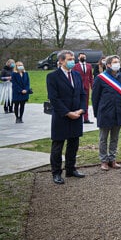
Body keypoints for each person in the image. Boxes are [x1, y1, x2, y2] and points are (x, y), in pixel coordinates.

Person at [46, 50, 87, 184]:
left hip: (77, 115)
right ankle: (56, 173)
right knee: (58, 146)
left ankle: (70, 169)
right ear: (61, 61)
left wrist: (81, 110)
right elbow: (54, 98)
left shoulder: (76, 74)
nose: (72, 61)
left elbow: (82, 94)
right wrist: (68, 113)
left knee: (73, 144)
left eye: (73, 58)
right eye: (69, 59)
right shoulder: (53, 76)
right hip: (62, 116)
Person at [92, 55, 121, 171]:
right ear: (108, 64)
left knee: (115, 137)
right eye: (114, 62)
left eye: (118, 62)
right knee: (103, 138)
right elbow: (95, 97)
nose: (117, 64)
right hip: (105, 112)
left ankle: (112, 159)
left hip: (118, 111)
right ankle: (103, 160)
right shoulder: (100, 78)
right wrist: (97, 113)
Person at [73, 52, 94, 124]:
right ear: (78, 58)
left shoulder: (89, 65)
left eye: (84, 57)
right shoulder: (75, 66)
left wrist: (92, 86)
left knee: (86, 102)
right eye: (81, 57)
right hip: (78, 86)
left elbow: (91, 76)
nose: (83, 58)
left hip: (86, 86)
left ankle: (86, 118)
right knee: (78, 102)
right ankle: (77, 116)